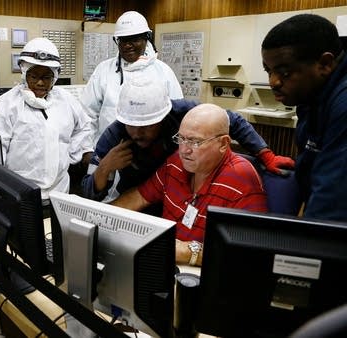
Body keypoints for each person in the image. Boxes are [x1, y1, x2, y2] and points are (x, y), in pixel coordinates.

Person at [81, 78, 294, 203]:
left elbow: (233, 120)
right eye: (131, 125)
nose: (137, 133)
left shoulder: (182, 112)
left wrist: (265, 154)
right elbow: (89, 193)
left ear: (163, 117)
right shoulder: (114, 135)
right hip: (140, 196)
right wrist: (105, 168)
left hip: (183, 195)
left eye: (146, 126)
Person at [111, 103, 268, 266]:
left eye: (195, 142)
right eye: (181, 139)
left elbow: (252, 254)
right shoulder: (176, 162)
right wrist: (101, 217)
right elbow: (139, 197)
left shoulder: (242, 179)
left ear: (223, 144)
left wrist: (188, 252)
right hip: (165, 263)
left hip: (204, 275)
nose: (184, 150)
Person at [0, 37, 93, 205]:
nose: (40, 82)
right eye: (34, 76)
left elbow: (83, 128)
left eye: (46, 77)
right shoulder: (8, 103)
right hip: (20, 194)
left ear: (55, 77)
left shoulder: (67, 101)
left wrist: (72, 153)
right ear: (24, 73)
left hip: (58, 192)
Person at [261, 14, 347, 221]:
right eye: (268, 71)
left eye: (285, 73)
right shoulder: (311, 95)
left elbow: (331, 203)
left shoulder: (343, 103)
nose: (273, 82)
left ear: (325, 64)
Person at [81, 10, 183, 145]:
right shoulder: (104, 70)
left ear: (146, 39)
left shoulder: (163, 71)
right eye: (123, 40)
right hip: (111, 150)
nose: (128, 45)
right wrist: (87, 149)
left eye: (134, 39)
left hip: (153, 153)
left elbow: (176, 115)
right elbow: (87, 114)